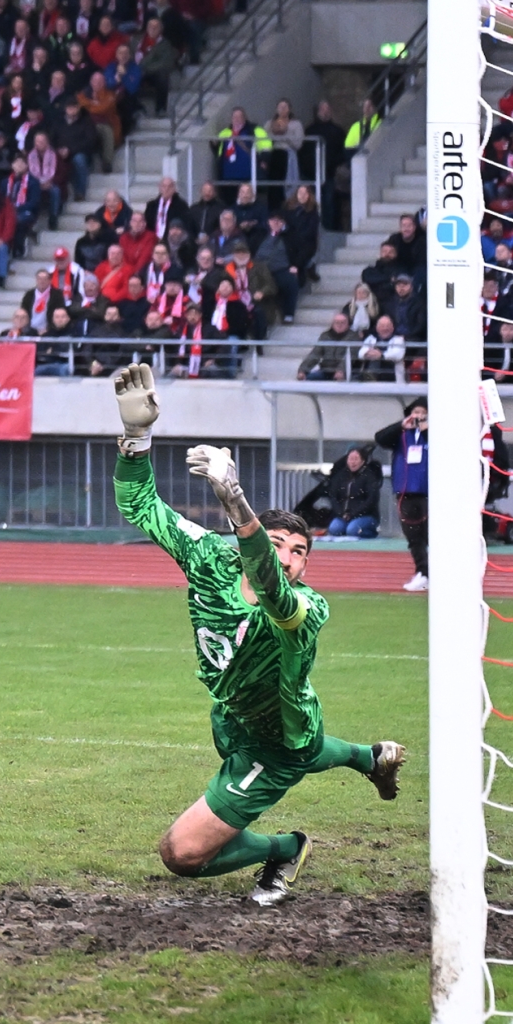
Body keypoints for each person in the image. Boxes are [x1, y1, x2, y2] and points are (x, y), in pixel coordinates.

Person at [110, 363, 405, 906]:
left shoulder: (308, 607)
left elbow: (273, 594)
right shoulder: (210, 556)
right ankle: (370, 757)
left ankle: (287, 847)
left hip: (276, 742)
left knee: (180, 853)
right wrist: (136, 437)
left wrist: (237, 504)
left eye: (300, 552)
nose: (289, 560)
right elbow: (140, 505)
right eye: (279, 546)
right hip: (235, 714)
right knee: (311, 743)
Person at [374, 397, 429, 590]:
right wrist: (401, 426)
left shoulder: (435, 434)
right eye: (416, 412)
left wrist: (427, 430)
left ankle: (437, 572)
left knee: (432, 535)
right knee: (414, 536)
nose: (419, 416)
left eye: (423, 413)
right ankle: (423, 572)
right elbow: (380, 438)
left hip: (429, 493)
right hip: (406, 492)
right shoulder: (402, 435)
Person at [323, 445, 382, 538]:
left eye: (356, 459)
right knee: (334, 529)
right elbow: (333, 497)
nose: (353, 462)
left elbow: (371, 500)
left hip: (365, 515)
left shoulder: (369, 476)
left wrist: (353, 514)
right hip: (343, 516)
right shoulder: (340, 476)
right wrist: (341, 513)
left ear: (363, 461)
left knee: (352, 530)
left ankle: (372, 532)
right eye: (350, 459)